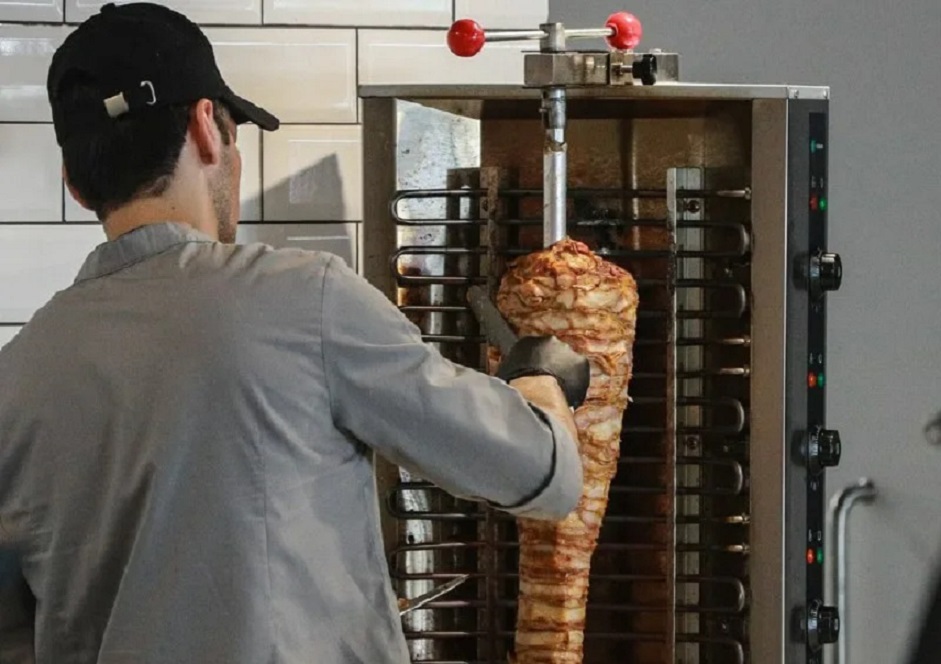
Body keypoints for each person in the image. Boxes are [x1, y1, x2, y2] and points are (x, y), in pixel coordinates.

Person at [0, 4, 588, 662]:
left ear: (76, 185)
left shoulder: (17, 375)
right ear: (205, 128)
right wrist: (539, 380)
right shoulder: (304, 300)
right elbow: (539, 472)